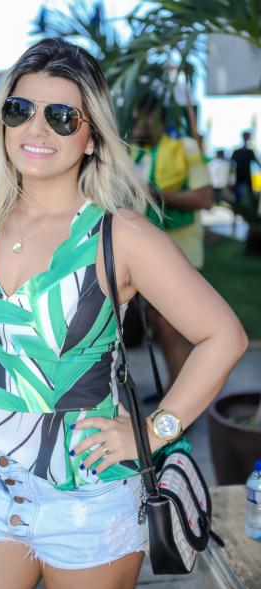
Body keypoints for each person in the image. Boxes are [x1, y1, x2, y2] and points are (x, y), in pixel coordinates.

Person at [0, 39, 247, 589]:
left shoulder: (121, 235)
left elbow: (224, 336)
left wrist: (152, 432)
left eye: (62, 117)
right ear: (1, 121)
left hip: (91, 497)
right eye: (20, 110)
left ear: (91, 137)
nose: (37, 129)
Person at [131, 95, 214, 389]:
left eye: (142, 116)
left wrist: (157, 194)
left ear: (158, 119)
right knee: (161, 326)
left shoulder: (184, 148)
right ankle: (174, 389)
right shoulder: (135, 153)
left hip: (181, 253)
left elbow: (205, 198)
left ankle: (183, 399)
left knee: (170, 326)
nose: (136, 122)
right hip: (145, 256)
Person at [231, 131, 261, 207]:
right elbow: (231, 165)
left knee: (247, 194)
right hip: (240, 176)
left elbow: (257, 163)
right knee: (238, 195)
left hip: (246, 177)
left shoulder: (249, 152)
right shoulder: (238, 152)